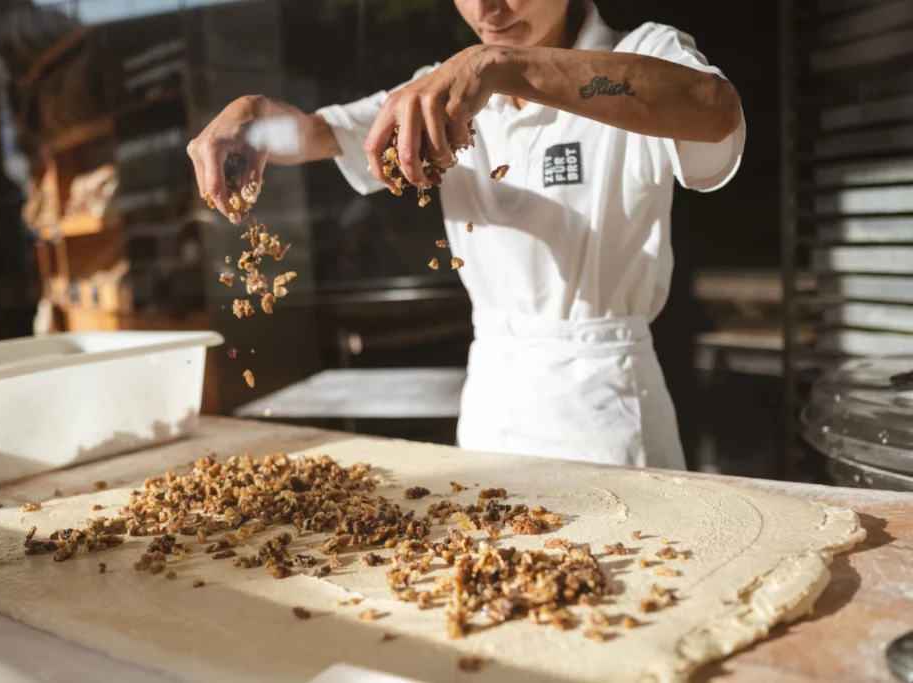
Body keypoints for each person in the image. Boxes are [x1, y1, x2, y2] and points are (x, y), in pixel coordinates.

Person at [187, 0, 745, 470]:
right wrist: (256, 117)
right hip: (490, 410)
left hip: (607, 410)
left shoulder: (642, 52)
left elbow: (713, 108)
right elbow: (316, 134)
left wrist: (499, 64)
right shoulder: (442, 91)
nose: (487, 9)